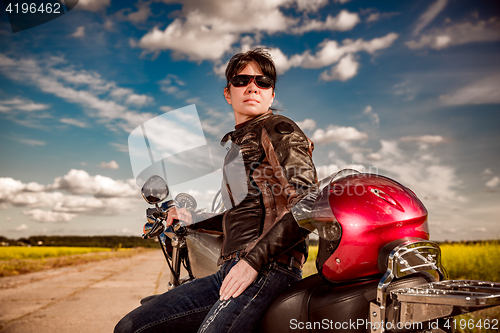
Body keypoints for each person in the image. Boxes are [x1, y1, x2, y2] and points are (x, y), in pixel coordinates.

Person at [114, 48, 317, 333]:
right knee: (132, 326)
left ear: (272, 94)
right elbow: (242, 215)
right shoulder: (238, 147)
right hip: (230, 268)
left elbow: (308, 203)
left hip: (267, 268)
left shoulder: (278, 129)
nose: (252, 87)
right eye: (242, 80)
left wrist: (253, 262)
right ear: (227, 92)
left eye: (263, 82)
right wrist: (191, 217)